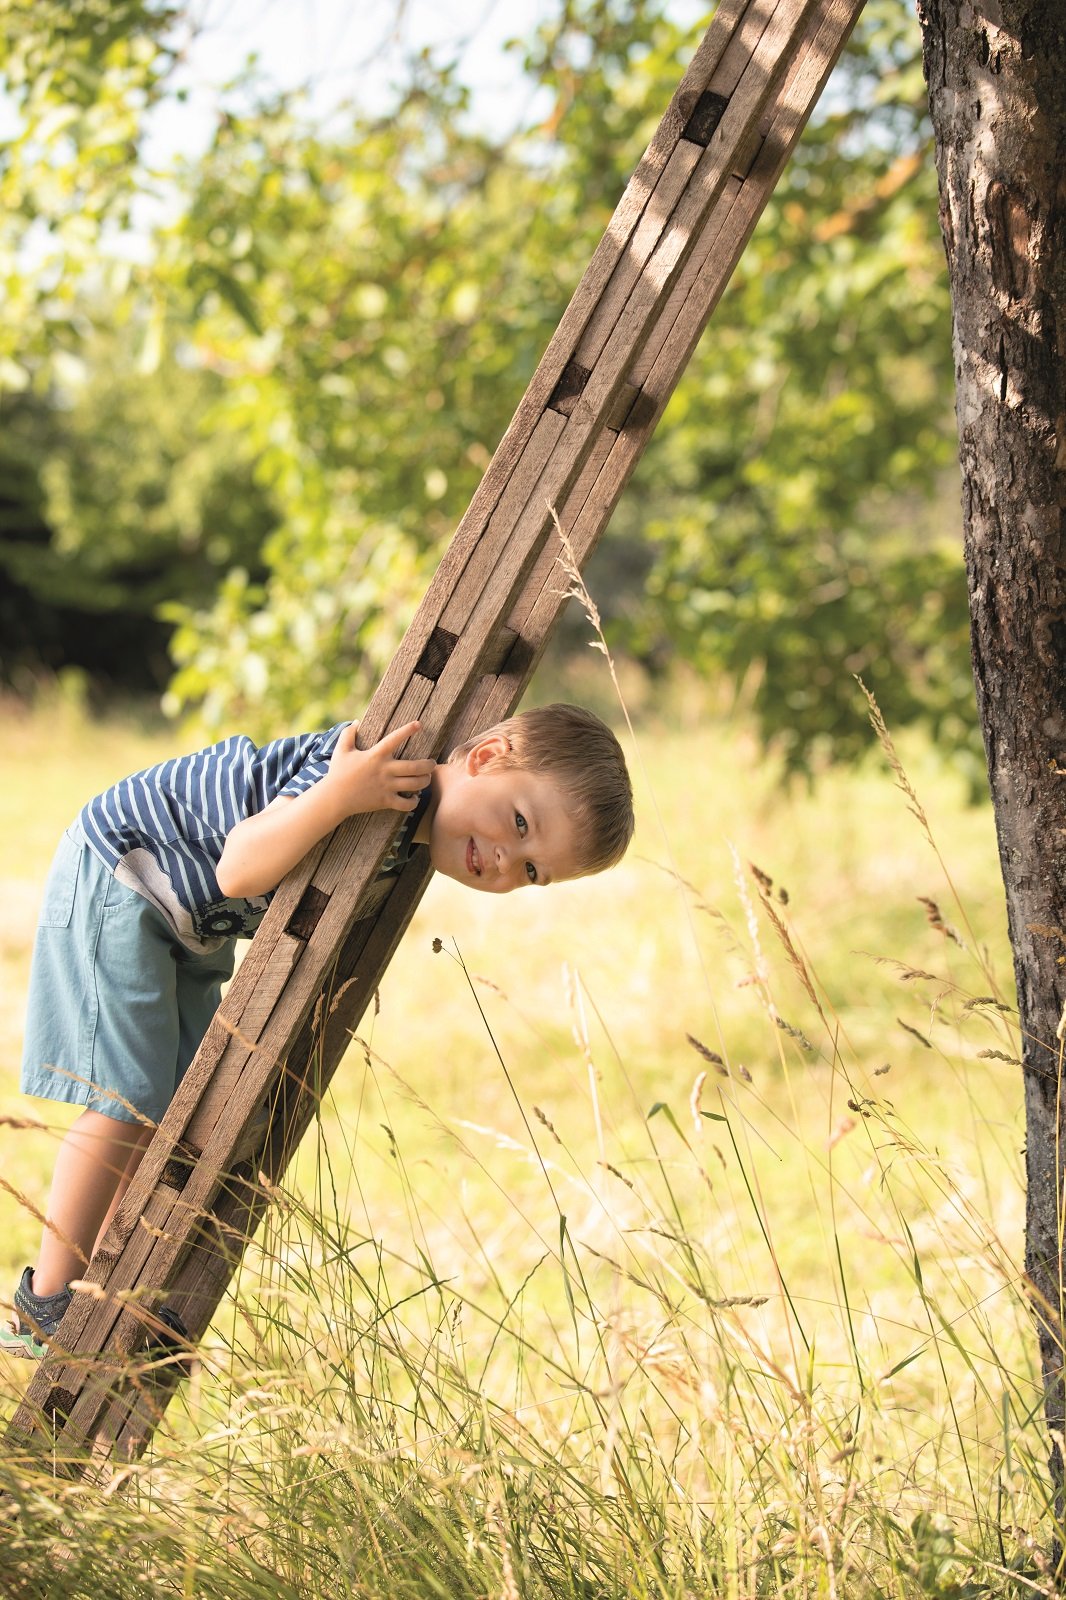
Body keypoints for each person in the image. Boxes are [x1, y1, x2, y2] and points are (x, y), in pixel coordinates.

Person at [1, 702, 633, 1358]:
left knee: (161, 1111)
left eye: (531, 870)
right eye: (520, 823)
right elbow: (238, 869)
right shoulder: (365, 771)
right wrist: (337, 795)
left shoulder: (403, 839)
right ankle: (44, 1303)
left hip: (188, 926)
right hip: (126, 871)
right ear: (485, 757)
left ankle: (103, 1289)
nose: (506, 859)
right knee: (120, 1099)